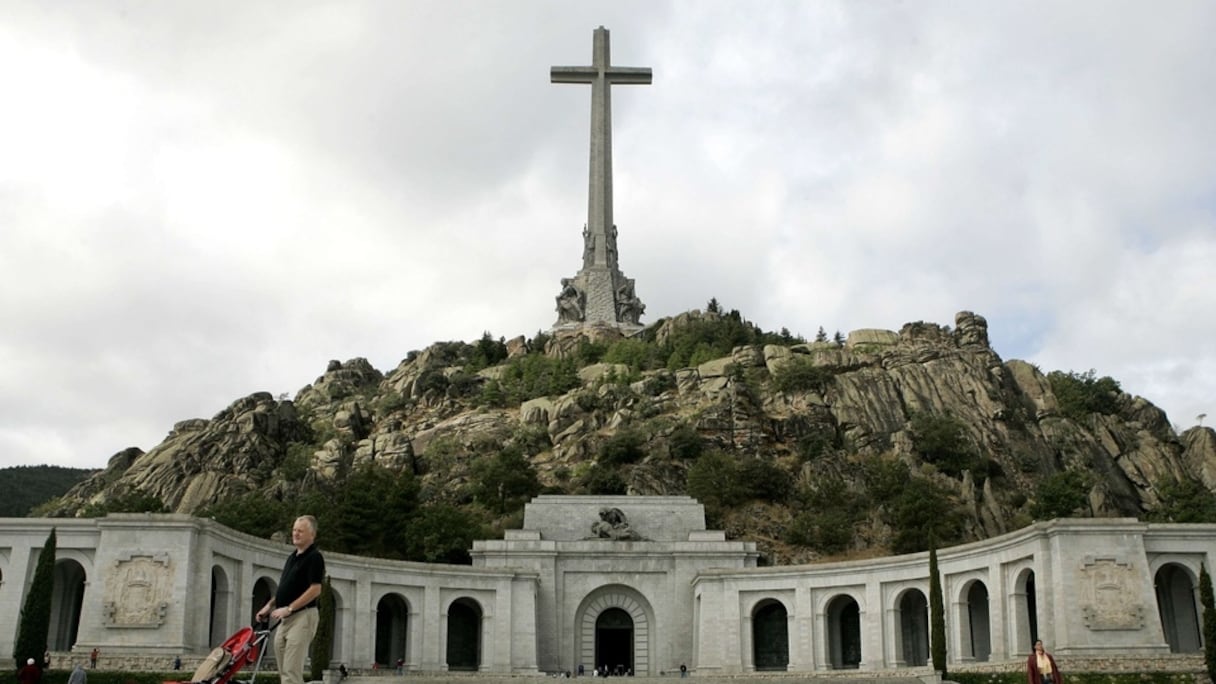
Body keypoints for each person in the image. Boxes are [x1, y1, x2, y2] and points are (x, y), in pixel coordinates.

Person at [255, 515, 325, 684]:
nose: (296, 534)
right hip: (286, 619)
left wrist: (290, 608)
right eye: (294, 530)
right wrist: (269, 606)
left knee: (291, 671)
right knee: (283, 668)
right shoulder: (292, 557)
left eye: (300, 531)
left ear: (312, 534)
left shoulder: (315, 557)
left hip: (302, 616)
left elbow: (316, 589)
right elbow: (284, 588)